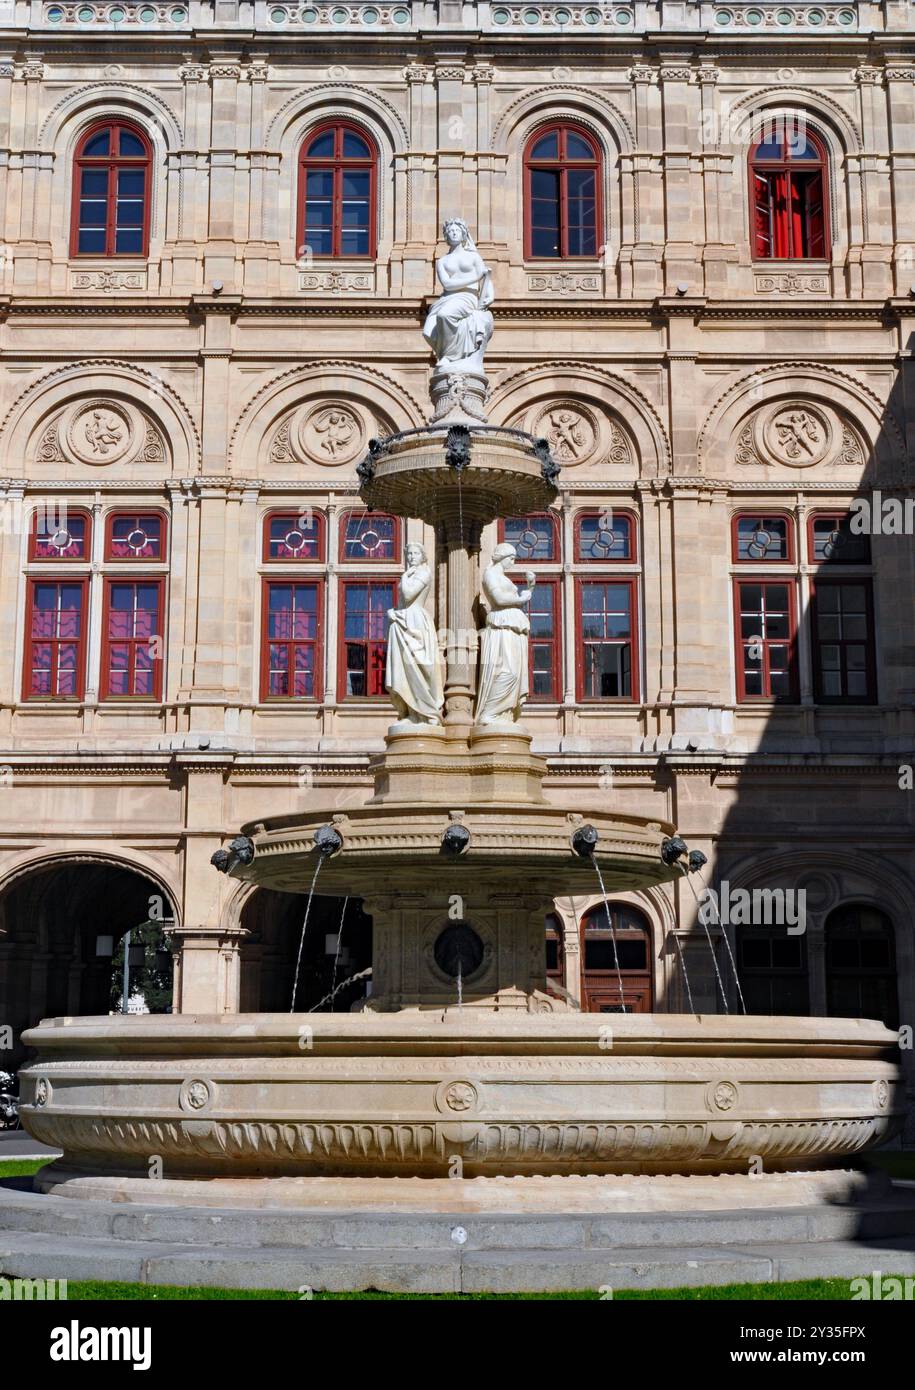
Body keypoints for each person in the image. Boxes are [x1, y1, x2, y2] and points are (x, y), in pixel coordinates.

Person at [474, 543, 535, 726]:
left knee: (515, 673)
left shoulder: (500, 576)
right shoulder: (490, 574)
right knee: (508, 673)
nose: (513, 562)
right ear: (502, 556)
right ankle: (489, 713)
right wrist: (521, 598)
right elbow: (499, 599)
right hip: (502, 626)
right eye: (511, 558)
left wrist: (530, 587)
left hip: (511, 626)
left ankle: (503, 714)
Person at [422, 218, 494, 372]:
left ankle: (449, 355)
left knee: (445, 315)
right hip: (447, 297)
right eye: (450, 231)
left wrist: (490, 295)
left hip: (467, 297)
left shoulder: (473, 256)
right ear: (446, 236)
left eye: (457, 230)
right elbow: (447, 284)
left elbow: (486, 277)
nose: (454, 233)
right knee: (428, 331)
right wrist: (476, 278)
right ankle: (447, 353)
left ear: (463, 234)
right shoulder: (442, 261)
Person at [385, 542, 444, 729]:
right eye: (409, 553)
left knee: (419, 667)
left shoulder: (424, 573)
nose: (411, 557)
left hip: (415, 622)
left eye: (415, 553)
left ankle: (428, 712)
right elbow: (403, 601)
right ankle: (411, 713)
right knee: (404, 670)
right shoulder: (412, 574)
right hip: (403, 619)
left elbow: (409, 594)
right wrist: (393, 612)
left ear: (423, 556)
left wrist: (404, 576)